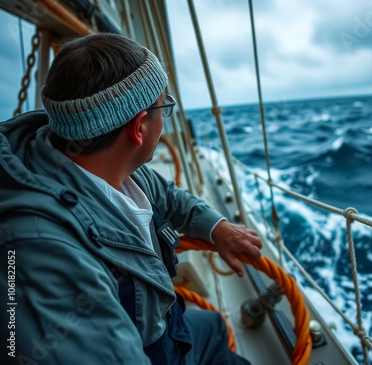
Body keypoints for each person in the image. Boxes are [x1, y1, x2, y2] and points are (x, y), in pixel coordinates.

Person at [0, 33, 262, 364]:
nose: (165, 120)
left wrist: (216, 227)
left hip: (169, 327)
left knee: (212, 325)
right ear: (139, 128)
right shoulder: (42, 254)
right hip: (153, 353)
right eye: (164, 107)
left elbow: (167, 195)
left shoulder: (110, 168)